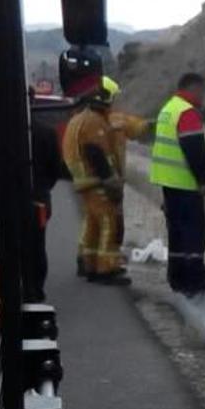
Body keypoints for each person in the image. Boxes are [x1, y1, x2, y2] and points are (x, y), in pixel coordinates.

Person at [150, 73, 205, 296]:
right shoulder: (187, 112)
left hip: (168, 182)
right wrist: (202, 181)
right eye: (202, 90)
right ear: (193, 88)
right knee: (193, 231)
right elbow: (194, 150)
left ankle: (177, 278)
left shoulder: (168, 108)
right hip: (185, 182)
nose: (203, 96)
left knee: (176, 232)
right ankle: (195, 279)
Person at [61, 75, 130, 285]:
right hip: (96, 181)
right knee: (109, 222)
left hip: (85, 182)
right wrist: (111, 181)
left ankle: (87, 262)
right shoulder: (94, 122)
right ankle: (105, 270)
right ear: (105, 97)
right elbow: (96, 153)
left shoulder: (80, 118)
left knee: (92, 223)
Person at [103, 76, 153, 250]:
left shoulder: (84, 119)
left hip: (95, 180)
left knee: (95, 223)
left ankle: (89, 260)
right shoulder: (117, 120)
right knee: (112, 224)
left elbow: (137, 127)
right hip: (111, 179)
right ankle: (108, 263)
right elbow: (139, 128)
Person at [26, 87, 65, 302]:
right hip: (39, 200)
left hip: (6, 201)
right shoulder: (46, 133)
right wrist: (42, 189)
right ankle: (35, 291)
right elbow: (56, 170)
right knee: (37, 246)